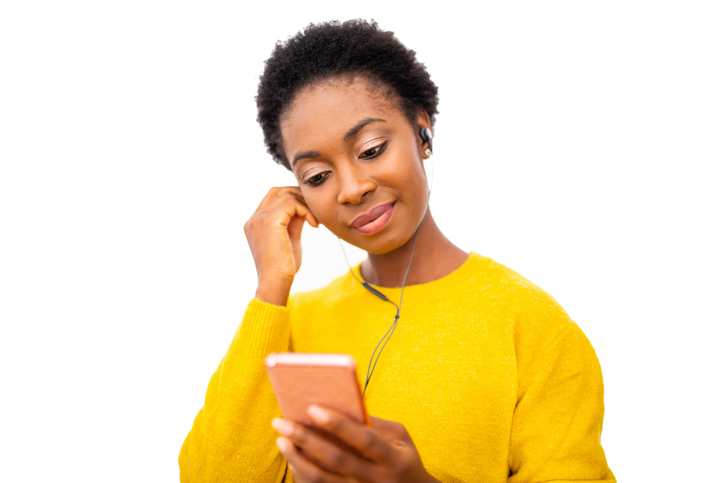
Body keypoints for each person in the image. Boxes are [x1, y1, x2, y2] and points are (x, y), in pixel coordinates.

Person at [179, 19, 616, 483]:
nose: (352, 188)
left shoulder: (532, 326)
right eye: (317, 177)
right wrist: (270, 288)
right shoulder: (287, 325)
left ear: (423, 131)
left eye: (370, 149)